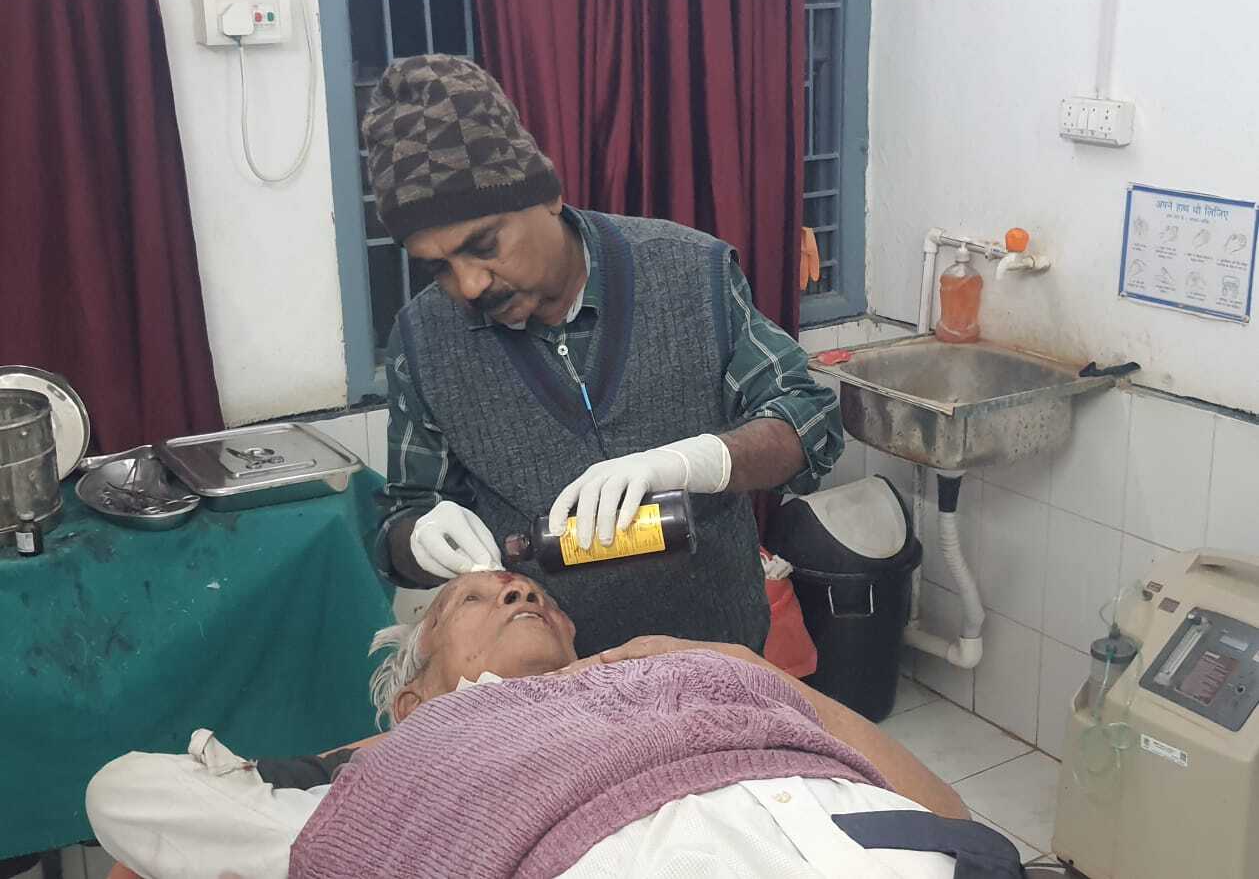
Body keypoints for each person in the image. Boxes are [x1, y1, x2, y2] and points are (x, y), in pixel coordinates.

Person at [85, 572, 1037, 879]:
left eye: (530, 591)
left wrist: (733, 661)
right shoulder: (389, 783)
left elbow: (951, 815)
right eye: (471, 599)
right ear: (411, 696)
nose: (516, 589)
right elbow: (125, 792)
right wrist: (372, 753)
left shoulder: (681, 670)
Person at [363, 54, 843, 655]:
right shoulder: (424, 341)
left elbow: (809, 419)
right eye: (438, 268)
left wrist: (696, 462)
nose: (469, 285)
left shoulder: (689, 273)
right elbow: (398, 524)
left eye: (483, 245)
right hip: (554, 680)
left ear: (548, 196)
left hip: (719, 657)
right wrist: (417, 538)